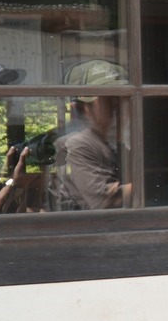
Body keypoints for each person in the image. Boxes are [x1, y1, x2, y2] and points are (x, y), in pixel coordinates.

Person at [52, 58, 131, 210]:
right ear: (80, 108)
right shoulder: (77, 144)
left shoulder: (112, 146)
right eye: (108, 102)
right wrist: (153, 182)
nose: (117, 109)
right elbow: (105, 201)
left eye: (121, 101)